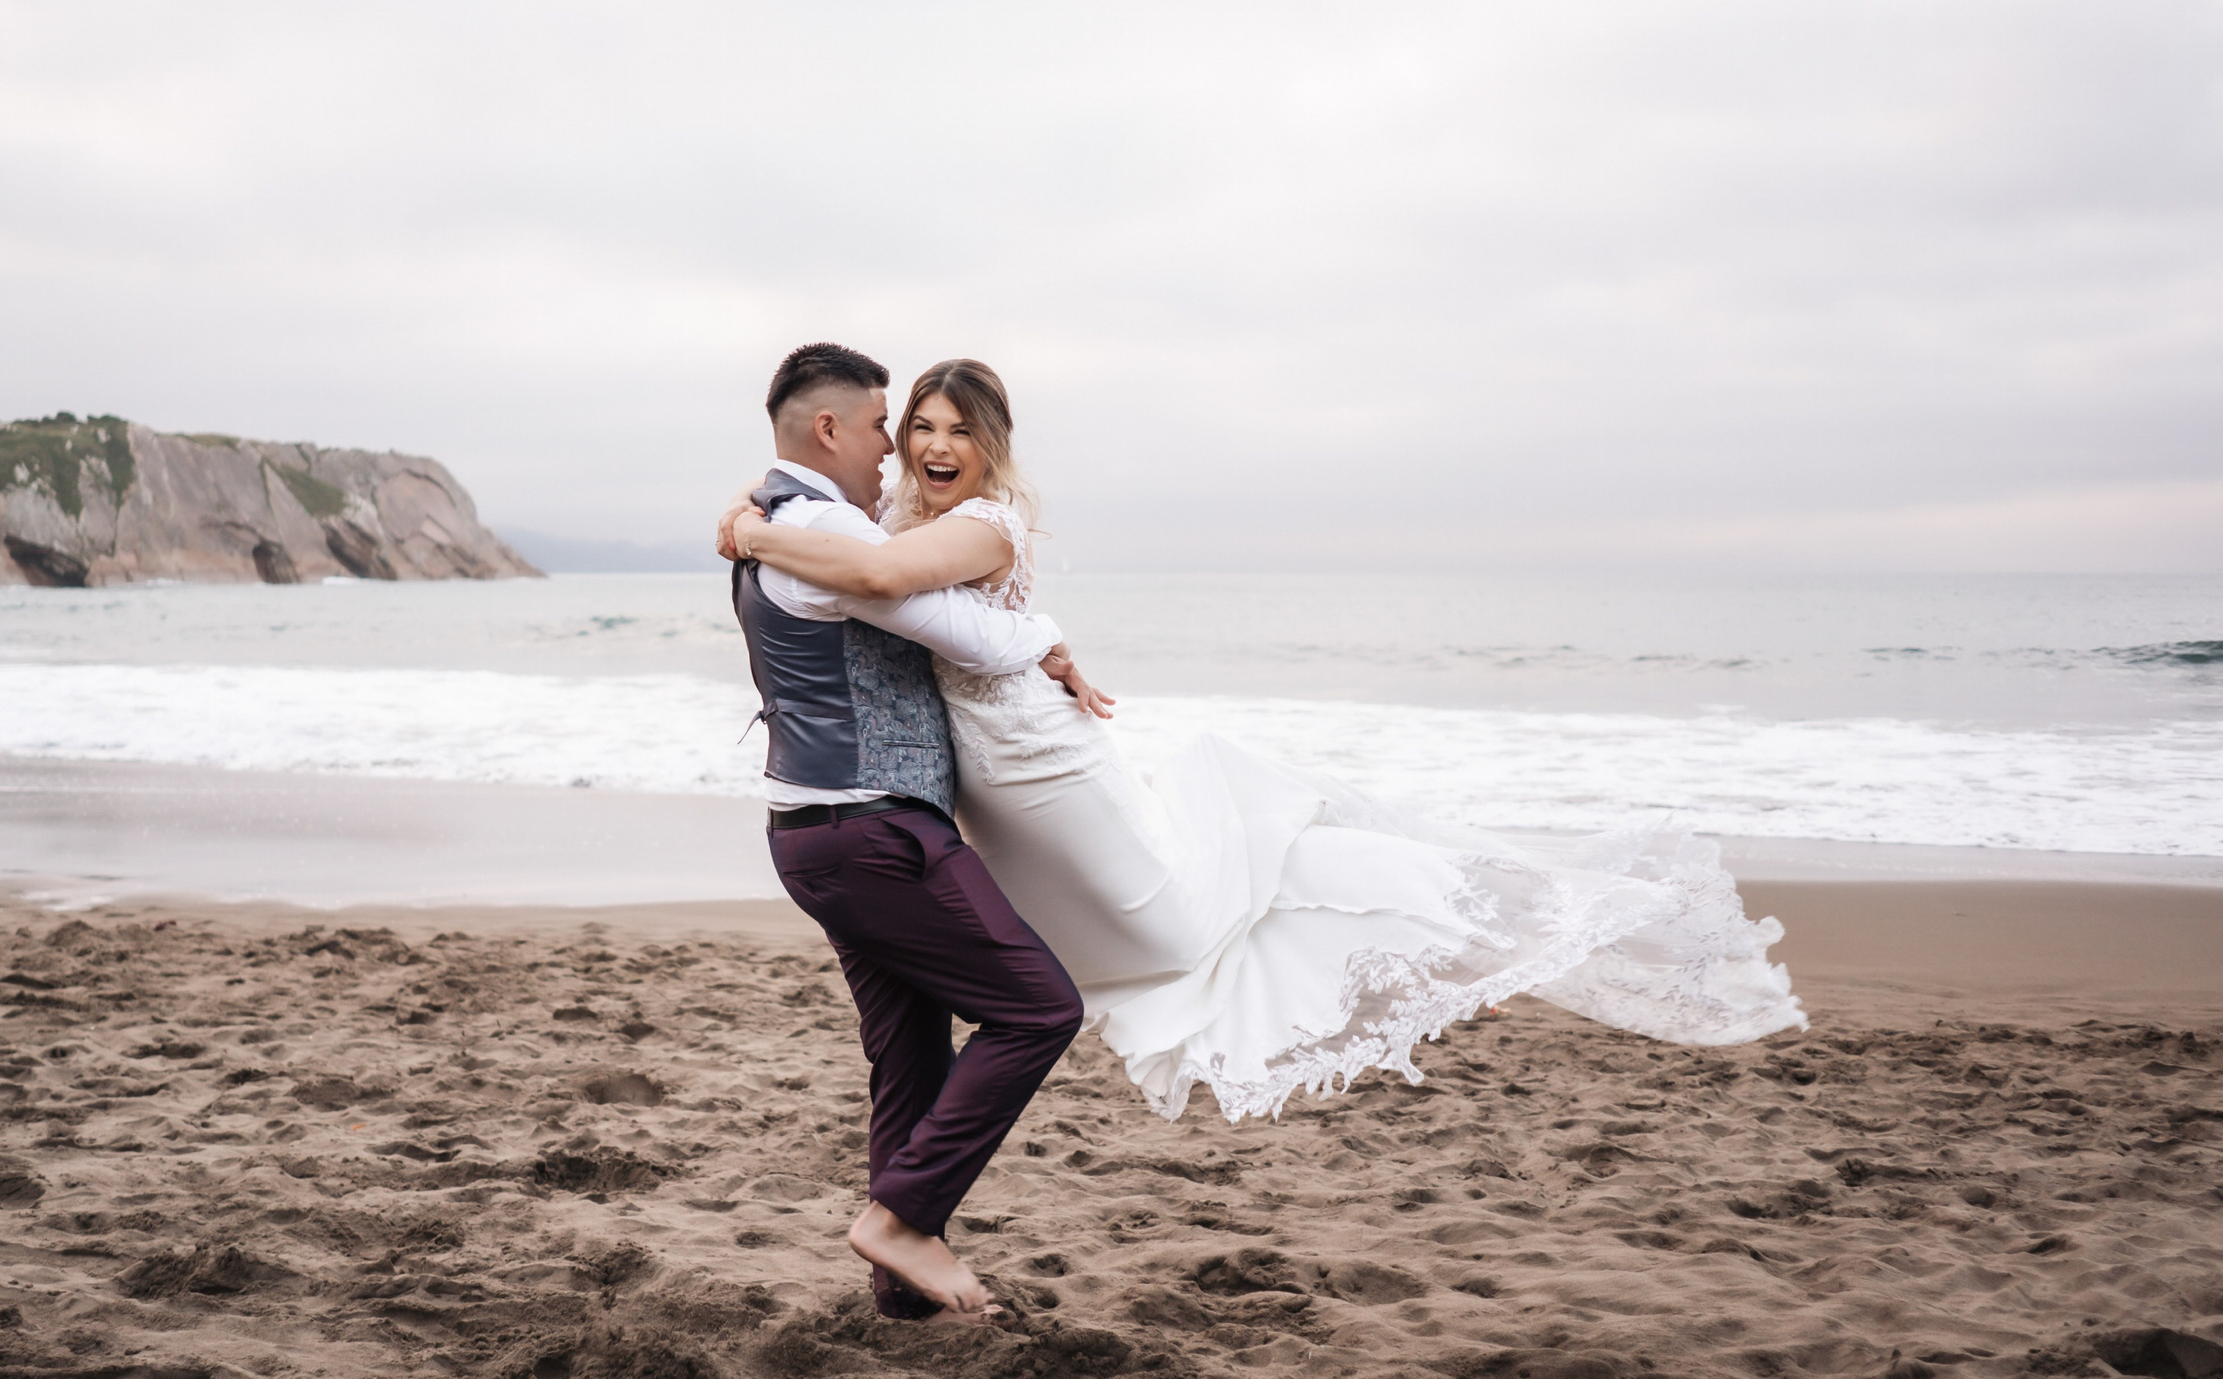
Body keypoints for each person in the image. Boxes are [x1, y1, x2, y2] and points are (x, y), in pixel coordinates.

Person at [724, 356, 1806, 1128]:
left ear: (992, 446)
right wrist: (768, 512)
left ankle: (1434, 919)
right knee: (1094, 943)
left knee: (1179, 926)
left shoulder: (977, 525)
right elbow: (888, 576)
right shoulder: (891, 524)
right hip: (978, 781)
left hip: (1038, 760)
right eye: (916, 425)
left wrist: (754, 529)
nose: (927, 445)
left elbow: (892, 587)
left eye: (957, 429)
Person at [728, 342, 1086, 1323]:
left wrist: (746, 519)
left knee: (913, 1058)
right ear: (830, 428)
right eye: (890, 424)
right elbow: (946, 618)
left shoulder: (786, 520)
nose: (895, 446)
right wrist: (1044, 639)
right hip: (873, 831)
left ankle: (900, 1298)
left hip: (818, 833)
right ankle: (901, 1221)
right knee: (1040, 1009)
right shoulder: (822, 535)